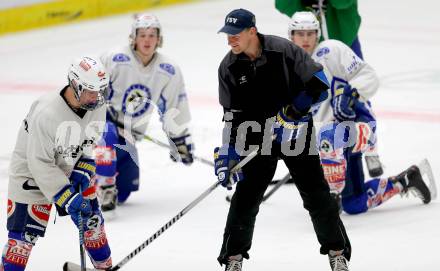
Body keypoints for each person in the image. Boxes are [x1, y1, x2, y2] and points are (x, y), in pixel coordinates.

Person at [214, 8, 351, 271]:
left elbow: (320, 84)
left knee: (316, 193)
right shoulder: (228, 67)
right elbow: (230, 116)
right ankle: (233, 258)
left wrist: (295, 110)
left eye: (235, 34)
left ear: (252, 31)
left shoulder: (283, 50)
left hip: (296, 132)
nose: (230, 40)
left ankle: (337, 252)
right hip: (256, 136)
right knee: (246, 196)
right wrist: (228, 153)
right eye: (227, 35)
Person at [288, 11, 434, 215]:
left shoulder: (331, 51)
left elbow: (369, 77)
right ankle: (407, 179)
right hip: (331, 142)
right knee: (354, 204)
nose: (305, 39)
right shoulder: (287, 67)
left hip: (358, 125)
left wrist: (350, 93)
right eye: (300, 34)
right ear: (291, 35)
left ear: (318, 34)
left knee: (329, 137)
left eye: (310, 33)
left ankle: (332, 195)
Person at [1, 56, 112, 270]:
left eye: (100, 90)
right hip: (31, 175)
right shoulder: (46, 112)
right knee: (21, 242)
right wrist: (66, 195)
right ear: (75, 84)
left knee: (93, 224)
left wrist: (83, 169)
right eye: (90, 90)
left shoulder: (96, 104)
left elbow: (90, 142)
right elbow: (39, 163)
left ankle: (105, 267)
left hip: (69, 164)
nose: (96, 97)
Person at [96, 13, 194, 211]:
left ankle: (105, 181)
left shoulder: (168, 69)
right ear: (133, 37)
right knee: (105, 133)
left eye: (152, 35)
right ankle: (101, 184)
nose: (147, 40)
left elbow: (174, 107)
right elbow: (90, 91)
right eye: (142, 35)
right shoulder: (115, 58)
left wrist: (179, 140)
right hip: (100, 127)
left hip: (130, 136)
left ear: (159, 38)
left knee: (123, 193)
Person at [275, 0, 364, 59]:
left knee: (358, 82)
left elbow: (343, 3)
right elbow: (281, 4)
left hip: (346, 40)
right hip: (310, 45)